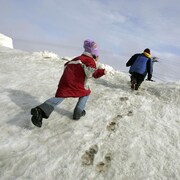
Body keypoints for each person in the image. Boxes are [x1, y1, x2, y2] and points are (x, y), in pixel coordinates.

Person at [31, 39, 106, 128]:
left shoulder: (77, 58)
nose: (98, 57)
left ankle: (40, 110)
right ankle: (78, 113)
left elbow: (67, 65)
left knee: (62, 96)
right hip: (76, 83)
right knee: (86, 93)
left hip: (65, 81)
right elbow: (91, 73)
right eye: (97, 55)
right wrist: (102, 72)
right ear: (93, 54)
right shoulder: (90, 61)